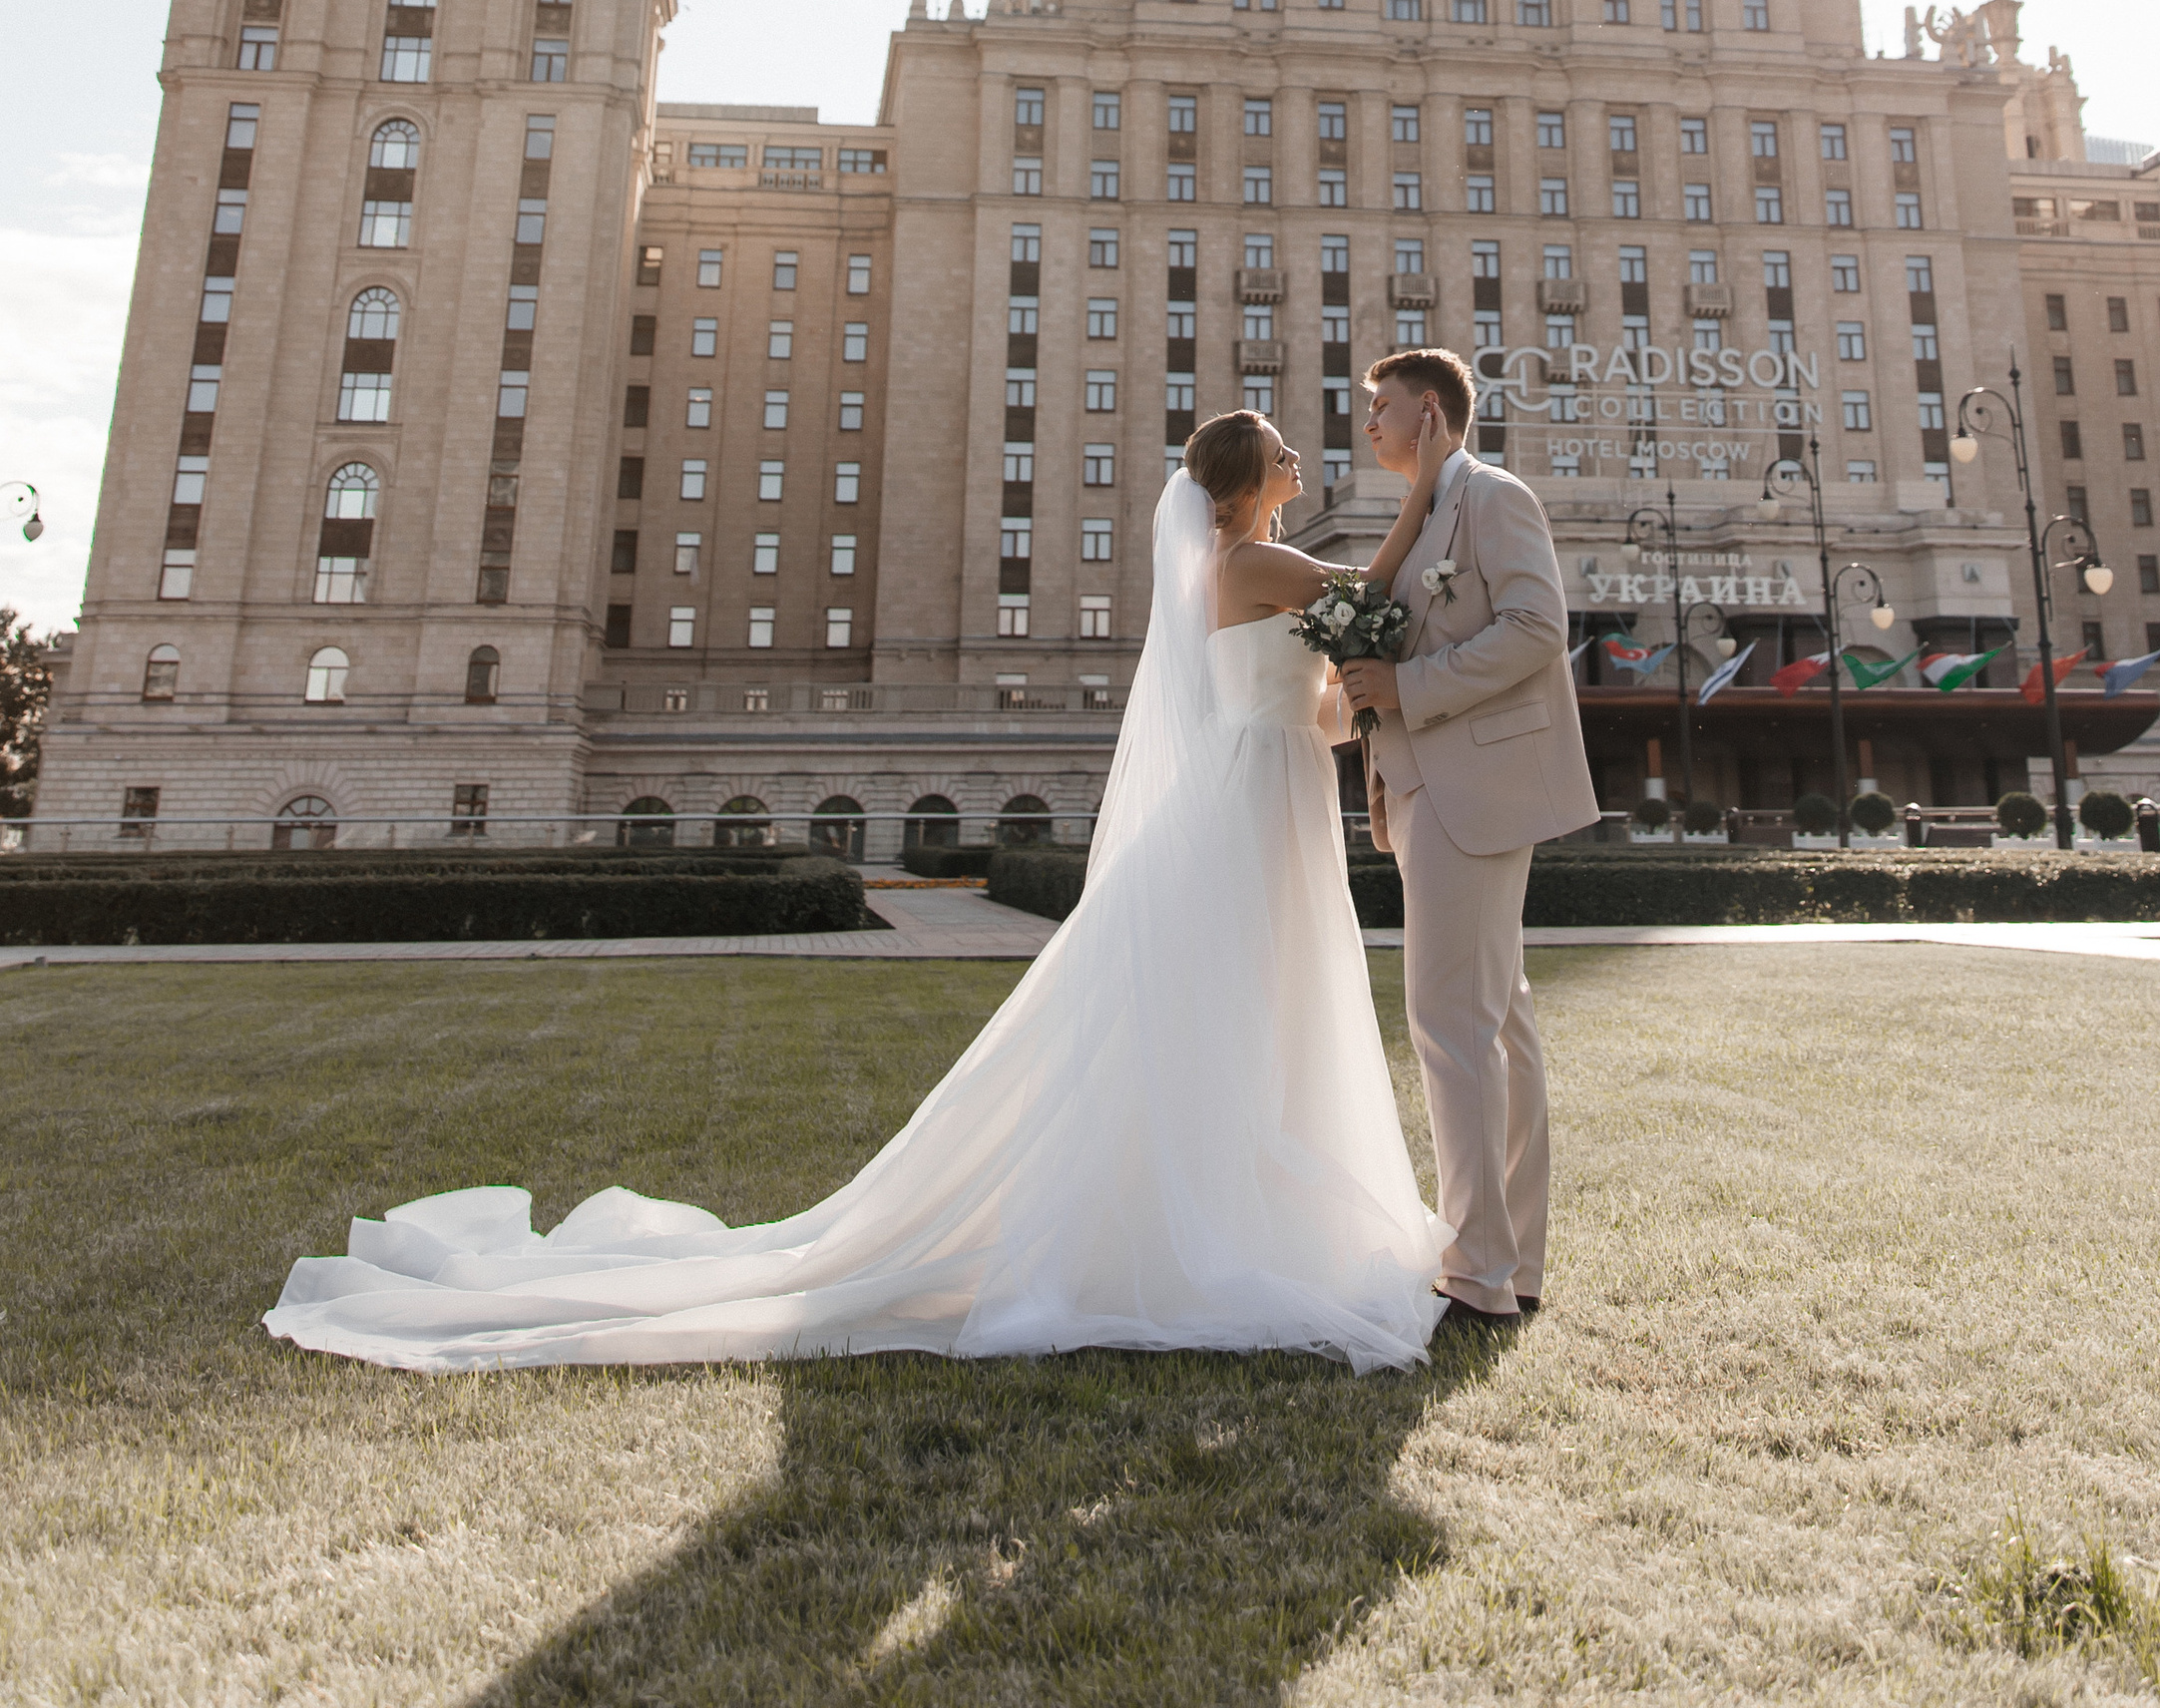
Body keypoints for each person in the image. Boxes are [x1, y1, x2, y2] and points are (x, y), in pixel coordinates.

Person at [262, 411, 1465, 1375]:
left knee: (1244, 1001)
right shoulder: (1253, 560)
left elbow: (1321, 699)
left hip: (1268, 787)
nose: (1307, 458)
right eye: (1288, 451)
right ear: (1253, 477)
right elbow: (1374, 596)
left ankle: (1233, 1202)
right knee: (1247, 995)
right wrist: (1435, 478)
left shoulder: (1237, 566)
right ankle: (1222, 1220)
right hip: (1251, 802)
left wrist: (1353, 706)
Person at [1336, 348, 1598, 1327]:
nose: (1369, 424)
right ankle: (1508, 1264)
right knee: (1495, 1027)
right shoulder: (1420, 521)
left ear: (1432, 412)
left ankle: (1477, 1272)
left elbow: (1534, 627)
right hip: (1424, 795)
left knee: (1452, 1029)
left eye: (1381, 407)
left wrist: (1406, 690)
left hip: (1471, 788)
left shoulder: (1491, 496)